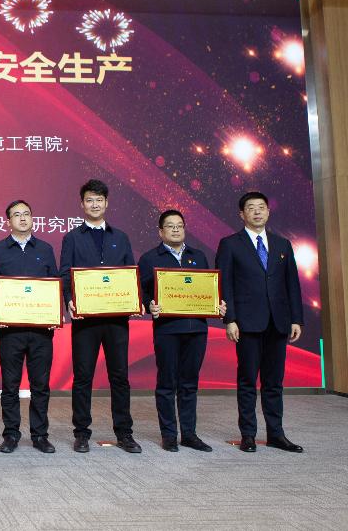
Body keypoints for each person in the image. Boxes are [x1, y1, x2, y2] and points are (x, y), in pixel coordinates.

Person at [216, 191, 305, 453]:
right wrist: (230, 319)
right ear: (241, 214)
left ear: (268, 211)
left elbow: (292, 284)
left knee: (274, 382)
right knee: (247, 381)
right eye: (251, 208)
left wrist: (296, 319)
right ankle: (248, 435)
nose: (257, 212)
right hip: (246, 323)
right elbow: (224, 284)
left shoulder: (282, 244)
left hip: (278, 322)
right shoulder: (230, 244)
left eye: (261, 207)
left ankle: (276, 434)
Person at [60, 179, 141, 454]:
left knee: (120, 376)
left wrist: (134, 300)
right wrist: (69, 301)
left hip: (116, 319)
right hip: (85, 320)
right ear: (82, 204)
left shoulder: (121, 237)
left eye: (99, 200)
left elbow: (130, 273)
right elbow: (65, 273)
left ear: (106, 203)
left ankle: (125, 433)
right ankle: (81, 433)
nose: (94, 204)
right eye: (89, 200)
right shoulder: (72, 238)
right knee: (83, 377)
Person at [138, 209, 225, 452]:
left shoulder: (198, 256)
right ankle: (169, 434)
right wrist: (149, 305)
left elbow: (209, 289)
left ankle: (189, 434)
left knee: (189, 383)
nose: (176, 229)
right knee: (167, 382)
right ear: (160, 231)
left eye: (180, 225)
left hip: (197, 329)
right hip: (167, 329)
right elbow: (142, 293)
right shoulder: (149, 258)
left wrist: (218, 304)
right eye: (170, 225)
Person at [0, 200, 59, 454]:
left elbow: (54, 283)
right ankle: (11, 434)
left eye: (27, 214)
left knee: (41, 385)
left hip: (41, 330)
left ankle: (40, 435)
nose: (23, 218)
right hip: (11, 330)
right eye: (17, 215)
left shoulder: (46, 249)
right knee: (10, 385)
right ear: (9, 221)